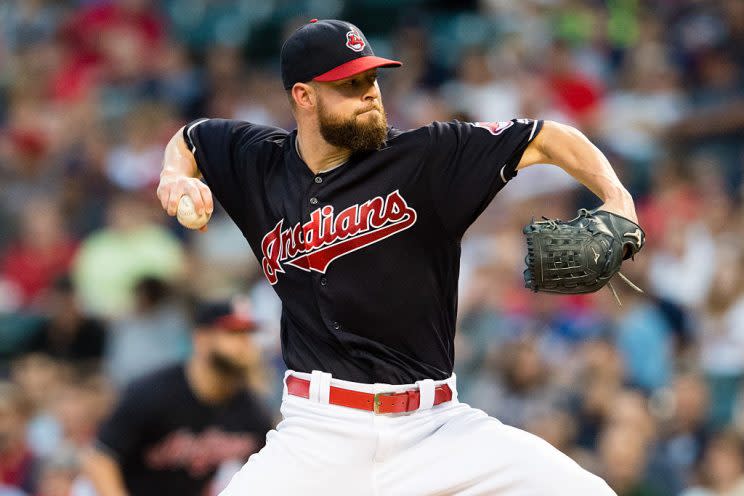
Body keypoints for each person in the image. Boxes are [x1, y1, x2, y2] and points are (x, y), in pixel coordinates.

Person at [157, 19, 638, 495]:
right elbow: (191, 139)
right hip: (318, 436)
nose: (370, 93)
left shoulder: (424, 159)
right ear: (303, 96)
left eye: (372, 78)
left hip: (437, 431)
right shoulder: (256, 161)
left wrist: (617, 197)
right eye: (350, 84)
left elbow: (546, 137)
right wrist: (174, 177)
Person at [82, 301, 273, 496]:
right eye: (234, 333)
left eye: (249, 334)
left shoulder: (252, 410)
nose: (245, 344)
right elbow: (100, 459)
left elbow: (271, 474)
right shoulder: (153, 392)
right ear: (201, 339)